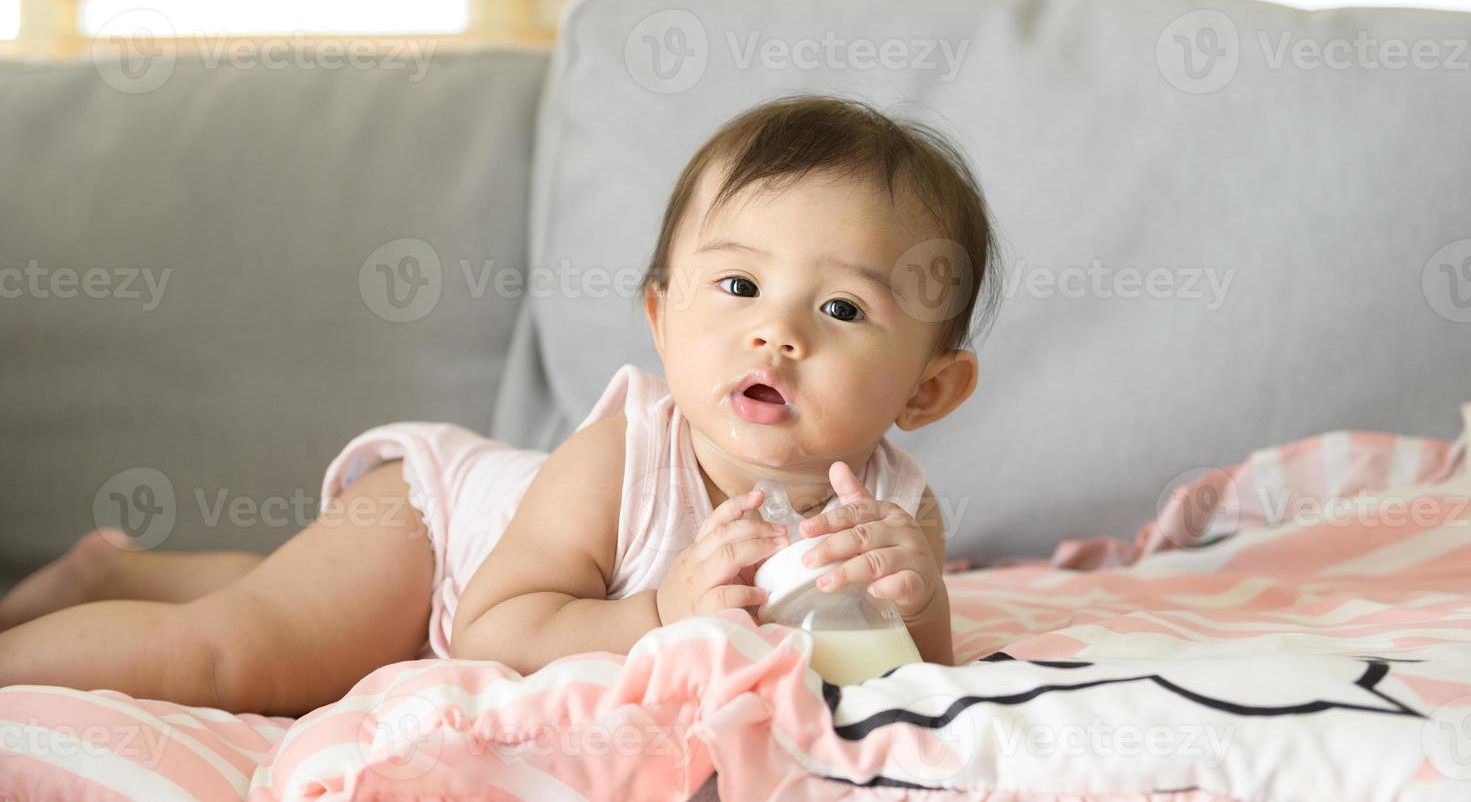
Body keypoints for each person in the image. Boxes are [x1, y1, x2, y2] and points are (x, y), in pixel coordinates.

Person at [0, 93, 1005, 717]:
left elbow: (906, 680)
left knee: (301, 599)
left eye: (840, 306)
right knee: (241, 649)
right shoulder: (622, 456)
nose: (776, 334)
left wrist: (917, 600)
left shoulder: (891, 506)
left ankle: (119, 571)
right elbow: (489, 630)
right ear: (661, 316)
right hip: (437, 540)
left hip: (487, 576)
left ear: (928, 386)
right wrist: (660, 611)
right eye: (738, 286)